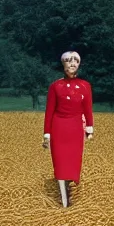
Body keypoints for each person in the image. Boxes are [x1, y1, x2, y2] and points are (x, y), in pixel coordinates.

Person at [42, 51, 94, 207]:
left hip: (76, 128)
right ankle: (64, 200)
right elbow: (49, 111)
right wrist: (47, 134)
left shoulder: (85, 86)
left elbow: (88, 108)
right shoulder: (55, 86)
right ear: (63, 64)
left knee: (73, 162)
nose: (72, 64)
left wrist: (89, 129)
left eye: (75, 61)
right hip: (59, 128)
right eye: (69, 61)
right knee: (60, 162)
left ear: (79, 64)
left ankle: (69, 185)